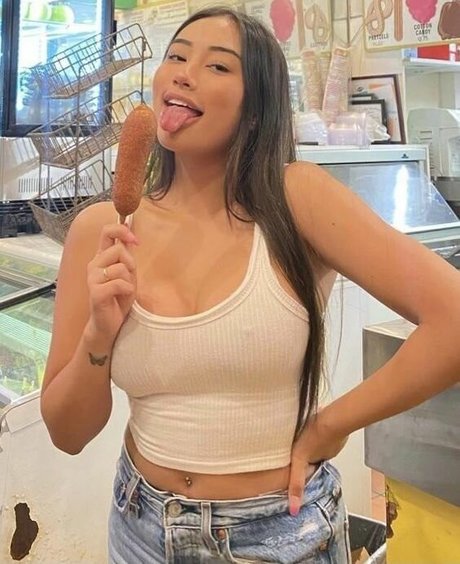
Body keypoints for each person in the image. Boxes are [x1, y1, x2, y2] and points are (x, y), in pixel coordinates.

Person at [40, 6, 460, 563]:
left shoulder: (297, 199)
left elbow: (452, 320)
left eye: (217, 66)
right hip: (140, 527)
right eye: (176, 57)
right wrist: (97, 336)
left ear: (257, 109)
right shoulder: (102, 229)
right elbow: (67, 434)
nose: (183, 74)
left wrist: (331, 425)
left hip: (280, 533)